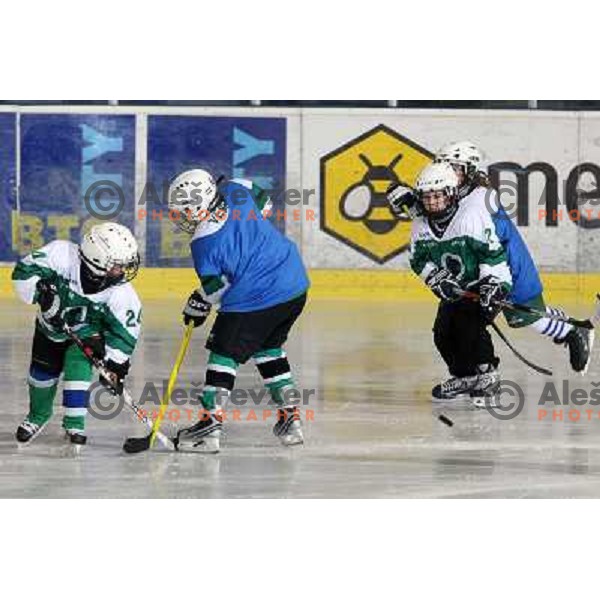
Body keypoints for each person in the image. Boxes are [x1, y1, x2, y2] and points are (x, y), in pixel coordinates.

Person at [389, 141, 593, 380]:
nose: (448, 172)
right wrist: (415, 201)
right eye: (443, 165)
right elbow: (442, 213)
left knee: (526, 317)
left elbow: (455, 219)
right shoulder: (463, 192)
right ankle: (570, 329)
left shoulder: (480, 198)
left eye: (454, 167)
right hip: (480, 265)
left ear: (469, 171)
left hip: (506, 262)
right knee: (508, 317)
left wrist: (414, 205)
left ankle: (571, 331)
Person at [167, 169, 310, 453]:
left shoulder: (202, 243)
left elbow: (216, 289)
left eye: (184, 211)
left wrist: (198, 302)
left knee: (223, 356)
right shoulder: (236, 189)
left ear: (198, 207)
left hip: (255, 298)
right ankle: (290, 419)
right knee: (268, 349)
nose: (181, 218)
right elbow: (266, 205)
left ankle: (209, 428)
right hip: (294, 284)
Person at [11, 222, 142, 447]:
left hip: (87, 335)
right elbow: (23, 273)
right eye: (117, 266)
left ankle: (75, 423)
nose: (122, 271)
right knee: (41, 375)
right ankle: (38, 415)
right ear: (97, 260)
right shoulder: (60, 255)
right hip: (49, 331)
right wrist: (40, 293)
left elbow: (124, 333)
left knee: (78, 369)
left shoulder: (122, 294)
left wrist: (115, 365)